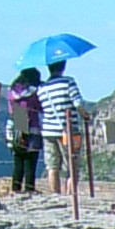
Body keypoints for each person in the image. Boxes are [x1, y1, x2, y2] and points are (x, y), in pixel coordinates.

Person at [35, 59, 84, 194]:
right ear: (63, 67)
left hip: (48, 131)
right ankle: (71, 195)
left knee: (52, 165)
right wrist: (85, 115)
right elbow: (78, 103)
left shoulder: (42, 88)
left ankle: (55, 194)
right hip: (69, 130)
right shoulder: (68, 81)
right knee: (72, 164)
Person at [6, 68, 43, 194]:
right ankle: (29, 188)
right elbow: (40, 108)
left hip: (17, 121)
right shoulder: (34, 94)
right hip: (32, 125)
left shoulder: (11, 92)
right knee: (30, 160)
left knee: (18, 159)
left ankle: (15, 188)